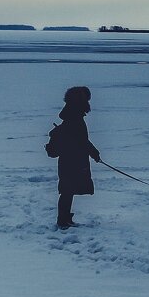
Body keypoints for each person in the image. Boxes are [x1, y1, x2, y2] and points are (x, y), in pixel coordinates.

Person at [55, 86, 101, 229]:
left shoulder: (71, 115)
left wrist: (93, 152)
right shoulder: (75, 118)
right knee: (67, 191)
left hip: (69, 159)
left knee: (68, 190)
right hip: (72, 160)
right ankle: (63, 221)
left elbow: (81, 140)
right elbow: (81, 141)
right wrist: (94, 153)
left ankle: (64, 219)